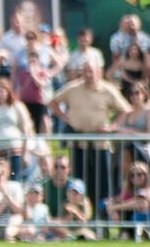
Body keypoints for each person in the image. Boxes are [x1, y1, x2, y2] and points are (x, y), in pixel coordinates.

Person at [51, 61, 131, 206]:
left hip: (100, 143)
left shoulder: (108, 89)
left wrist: (113, 126)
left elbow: (125, 109)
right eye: (85, 71)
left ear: (99, 72)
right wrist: (64, 116)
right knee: (79, 182)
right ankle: (80, 213)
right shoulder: (73, 87)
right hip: (78, 141)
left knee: (102, 182)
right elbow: (52, 101)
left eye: (91, 71)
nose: (88, 75)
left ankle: (103, 217)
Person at [0, 79, 32, 180]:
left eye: (2, 91)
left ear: (8, 92)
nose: (0, 94)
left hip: (15, 150)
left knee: (14, 179)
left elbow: (25, 129)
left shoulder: (17, 106)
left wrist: (26, 153)